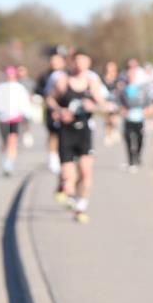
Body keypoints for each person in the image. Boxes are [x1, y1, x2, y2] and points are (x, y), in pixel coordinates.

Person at [46, 50, 107, 223]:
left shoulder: (91, 81)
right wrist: (58, 110)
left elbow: (101, 103)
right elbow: (50, 99)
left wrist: (93, 106)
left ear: (88, 63)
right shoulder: (62, 80)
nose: (80, 64)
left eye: (84, 61)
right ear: (72, 62)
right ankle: (69, 191)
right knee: (69, 176)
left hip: (84, 131)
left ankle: (81, 207)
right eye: (77, 60)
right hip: (66, 131)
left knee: (87, 173)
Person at [0, 66, 31, 176]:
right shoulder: (0, 88)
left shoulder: (20, 88)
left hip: (15, 117)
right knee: (5, 143)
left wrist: (27, 114)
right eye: (8, 75)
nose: (10, 77)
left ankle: (9, 164)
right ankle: (4, 158)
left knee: (13, 141)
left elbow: (24, 102)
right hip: (3, 118)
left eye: (12, 75)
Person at [37, 52, 66, 176]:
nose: (54, 63)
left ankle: (63, 156)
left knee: (64, 135)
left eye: (57, 60)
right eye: (52, 60)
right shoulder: (45, 76)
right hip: (51, 111)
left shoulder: (66, 74)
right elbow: (39, 91)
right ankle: (53, 158)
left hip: (65, 110)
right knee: (52, 134)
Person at [118, 62, 151, 171]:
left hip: (139, 117)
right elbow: (120, 102)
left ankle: (138, 156)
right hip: (128, 118)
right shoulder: (123, 90)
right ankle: (131, 161)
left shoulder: (142, 89)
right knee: (128, 139)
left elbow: (147, 101)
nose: (131, 77)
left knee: (140, 138)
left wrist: (146, 109)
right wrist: (122, 109)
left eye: (133, 75)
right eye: (129, 76)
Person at [102, 61, 121, 147]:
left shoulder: (118, 78)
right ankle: (107, 135)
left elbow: (120, 89)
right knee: (107, 119)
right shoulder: (103, 78)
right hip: (106, 101)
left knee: (114, 118)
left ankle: (115, 131)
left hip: (115, 101)